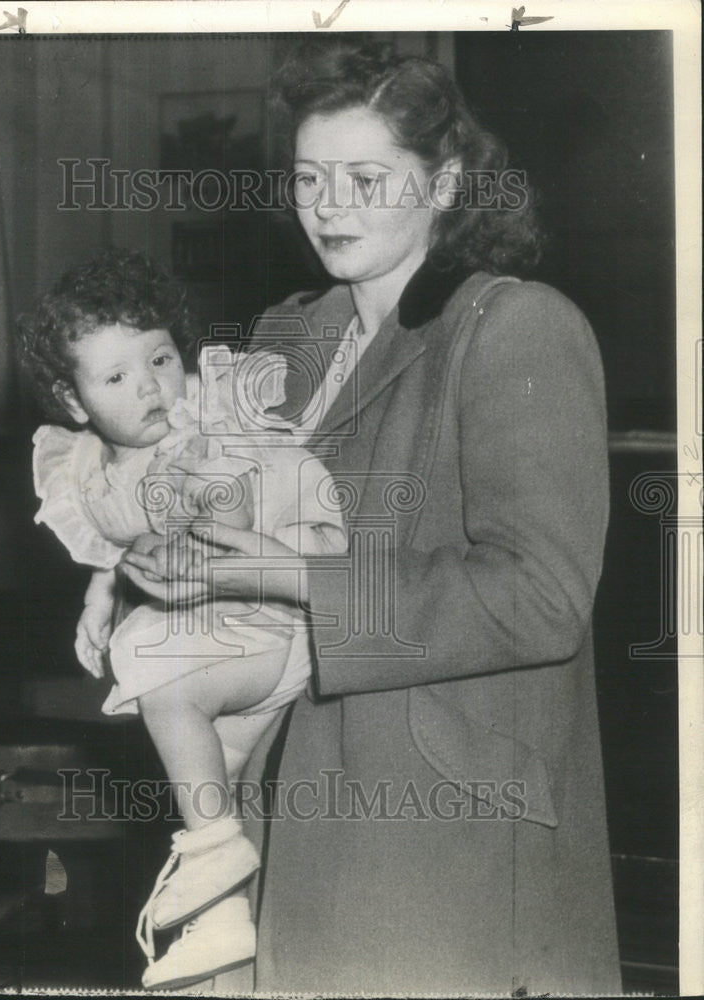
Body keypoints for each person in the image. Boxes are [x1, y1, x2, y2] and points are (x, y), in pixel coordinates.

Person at [121, 41, 622, 994]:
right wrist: (163, 551)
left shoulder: (515, 325)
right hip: (281, 788)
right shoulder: (287, 333)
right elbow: (233, 501)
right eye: (310, 179)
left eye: (364, 178)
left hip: (437, 821)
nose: (328, 206)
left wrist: (279, 574)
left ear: (445, 183)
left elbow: (540, 598)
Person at [17, 249, 346, 990]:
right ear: (75, 405)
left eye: (160, 358)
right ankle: (216, 920)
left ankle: (211, 853)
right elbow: (121, 540)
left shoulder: (207, 429)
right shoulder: (90, 464)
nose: (150, 387)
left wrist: (176, 541)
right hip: (220, 661)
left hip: (271, 629)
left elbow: (224, 513)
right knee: (200, 781)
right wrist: (99, 595)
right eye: (115, 378)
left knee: (157, 670)